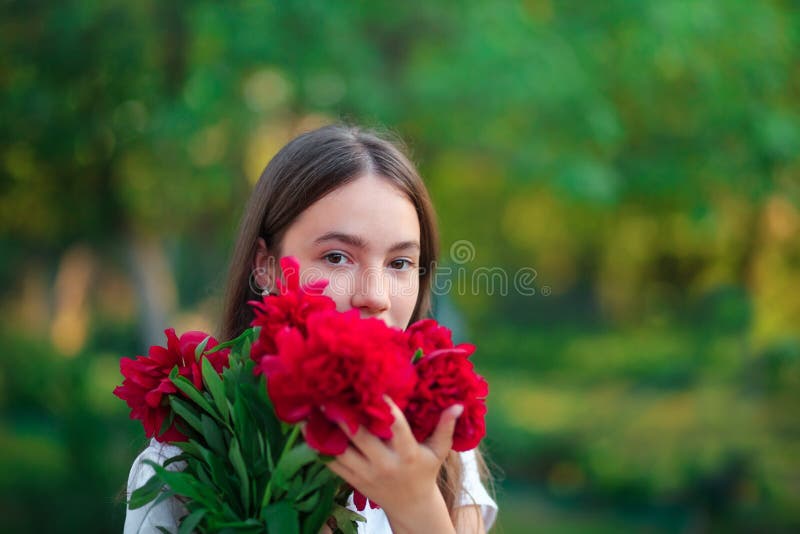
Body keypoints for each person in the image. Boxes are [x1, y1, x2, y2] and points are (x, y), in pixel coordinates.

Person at [124, 124, 497, 533]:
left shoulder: (441, 450)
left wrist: (417, 506)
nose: (375, 295)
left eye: (399, 263)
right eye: (337, 257)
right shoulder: (184, 463)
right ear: (266, 266)